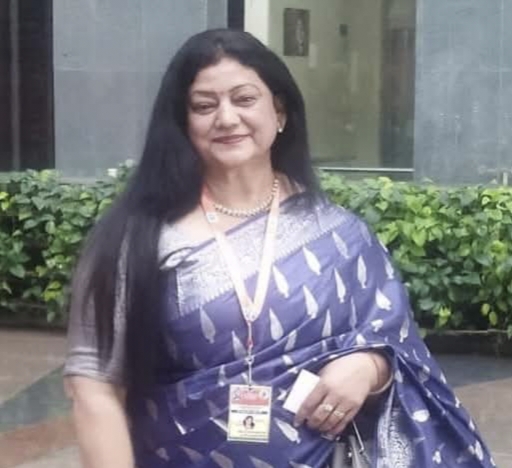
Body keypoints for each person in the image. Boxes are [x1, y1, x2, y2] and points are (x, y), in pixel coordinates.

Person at [64, 29, 494, 468]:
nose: (226, 118)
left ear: (280, 111)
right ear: (182, 123)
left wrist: (367, 367)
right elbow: (94, 387)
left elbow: (397, 344)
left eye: (244, 99)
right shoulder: (137, 238)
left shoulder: (337, 232)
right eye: (204, 106)